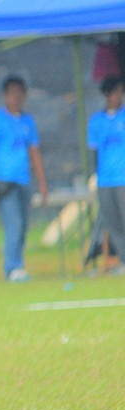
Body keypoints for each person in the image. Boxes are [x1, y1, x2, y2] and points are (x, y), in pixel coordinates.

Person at [0, 75, 48, 282]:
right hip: (4, 181)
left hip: (23, 180)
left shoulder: (28, 121)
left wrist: (42, 183)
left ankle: (18, 264)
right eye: (11, 93)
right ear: (5, 95)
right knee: (14, 224)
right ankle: (13, 267)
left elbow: (34, 152)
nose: (15, 98)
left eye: (19, 93)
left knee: (24, 225)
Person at [87, 76, 125, 274]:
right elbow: (93, 151)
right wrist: (94, 176)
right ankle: (123, 260)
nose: (120, 96)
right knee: (113, 223)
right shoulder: (96, 121)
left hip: (123, 179)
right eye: (116, 92)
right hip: (105, 181)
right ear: (107, 94)